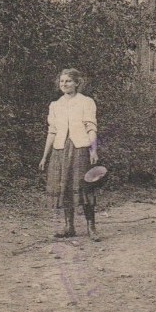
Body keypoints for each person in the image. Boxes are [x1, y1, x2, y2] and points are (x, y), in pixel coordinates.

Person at [39, 68, 99, 240]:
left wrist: (93, 149)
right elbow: (52, 132)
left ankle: (91, 227)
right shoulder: (55, 105)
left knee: (84, 186)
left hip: (79, 149)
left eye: (68, 81)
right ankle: (69, 226)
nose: (64, 84)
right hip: (59, 150)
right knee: (63, 188)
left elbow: (91, 127)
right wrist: (45, 156)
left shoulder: (86, 102)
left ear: (77, 83)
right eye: (62, 82)